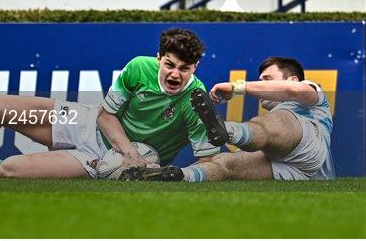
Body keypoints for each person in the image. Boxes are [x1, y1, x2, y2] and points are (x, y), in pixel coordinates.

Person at [0, 28, 220, 179]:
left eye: (184, 68)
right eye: (169, 64)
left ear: (195, 68)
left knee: (8, 171)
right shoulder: (139, 67)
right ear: (158, 58)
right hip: (92, 125)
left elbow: (209, 160)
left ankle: (3, 167)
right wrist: (132, 152)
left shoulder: (196, 101)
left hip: (108, 161)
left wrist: (169, 174)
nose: (174, 74)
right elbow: (107, 116)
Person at [120, 57, 335, 182]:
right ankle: (178, 175)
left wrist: (237, 87)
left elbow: (290, 90)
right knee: (226, 163)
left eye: (267, 79)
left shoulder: (311, 94)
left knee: (271, 124)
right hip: (290, 172)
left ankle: (226, 131)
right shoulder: (269, 122)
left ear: (294, 78)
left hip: (312, 151)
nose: (260, 86)